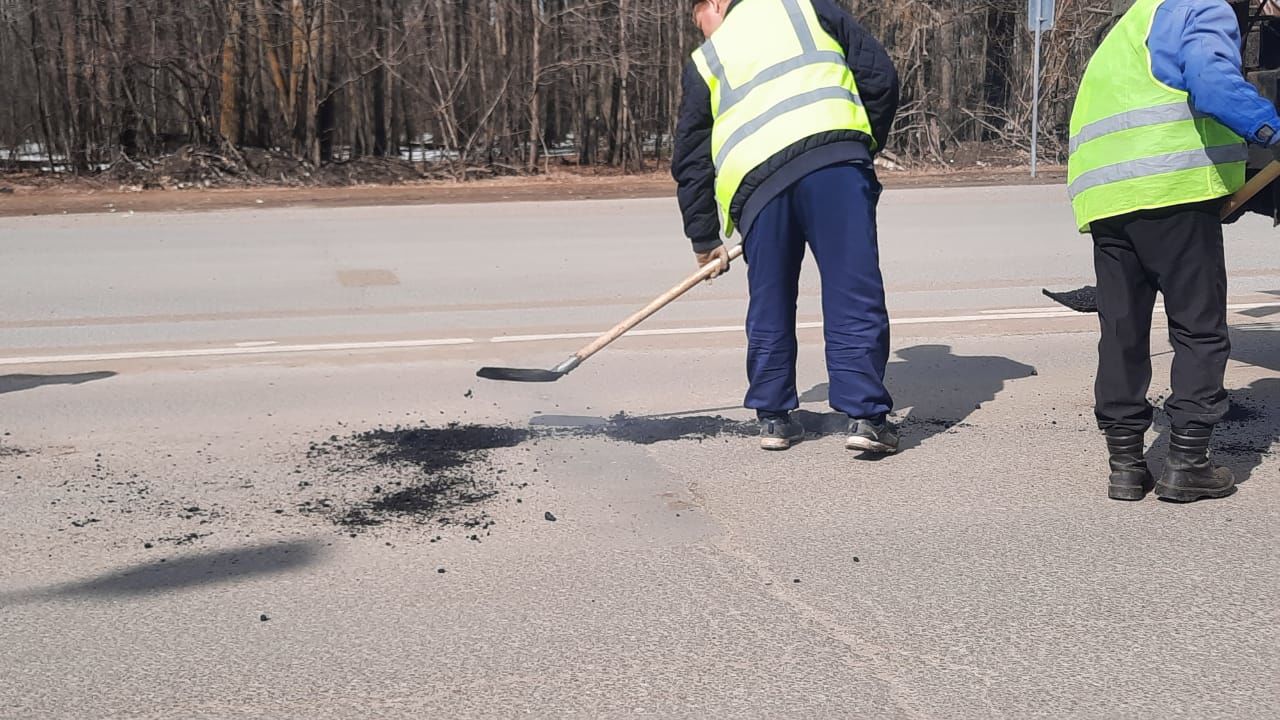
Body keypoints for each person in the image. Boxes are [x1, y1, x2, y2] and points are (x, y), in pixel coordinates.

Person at [1068, 0, 1280, 501]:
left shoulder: (1130, 25)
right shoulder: (1199, 8)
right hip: (1173, 192)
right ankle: (1187, 462)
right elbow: (1211, 82)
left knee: (1122, 328)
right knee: (1198, 328)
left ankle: (1125, 465)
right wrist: (1270, 129)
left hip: (1106, 198)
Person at [672, 0, 901, 453]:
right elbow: (879, 77)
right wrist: (859, 149)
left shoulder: (708, 60)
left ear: (715, 4)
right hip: (834, 164)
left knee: (770, 298)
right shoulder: (804, 7)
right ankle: (866, 419)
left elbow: (691, 158)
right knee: (852, 290)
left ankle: (774, 418)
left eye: (701, 22)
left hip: (759, 189)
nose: (704, 34)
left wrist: (704, 238)